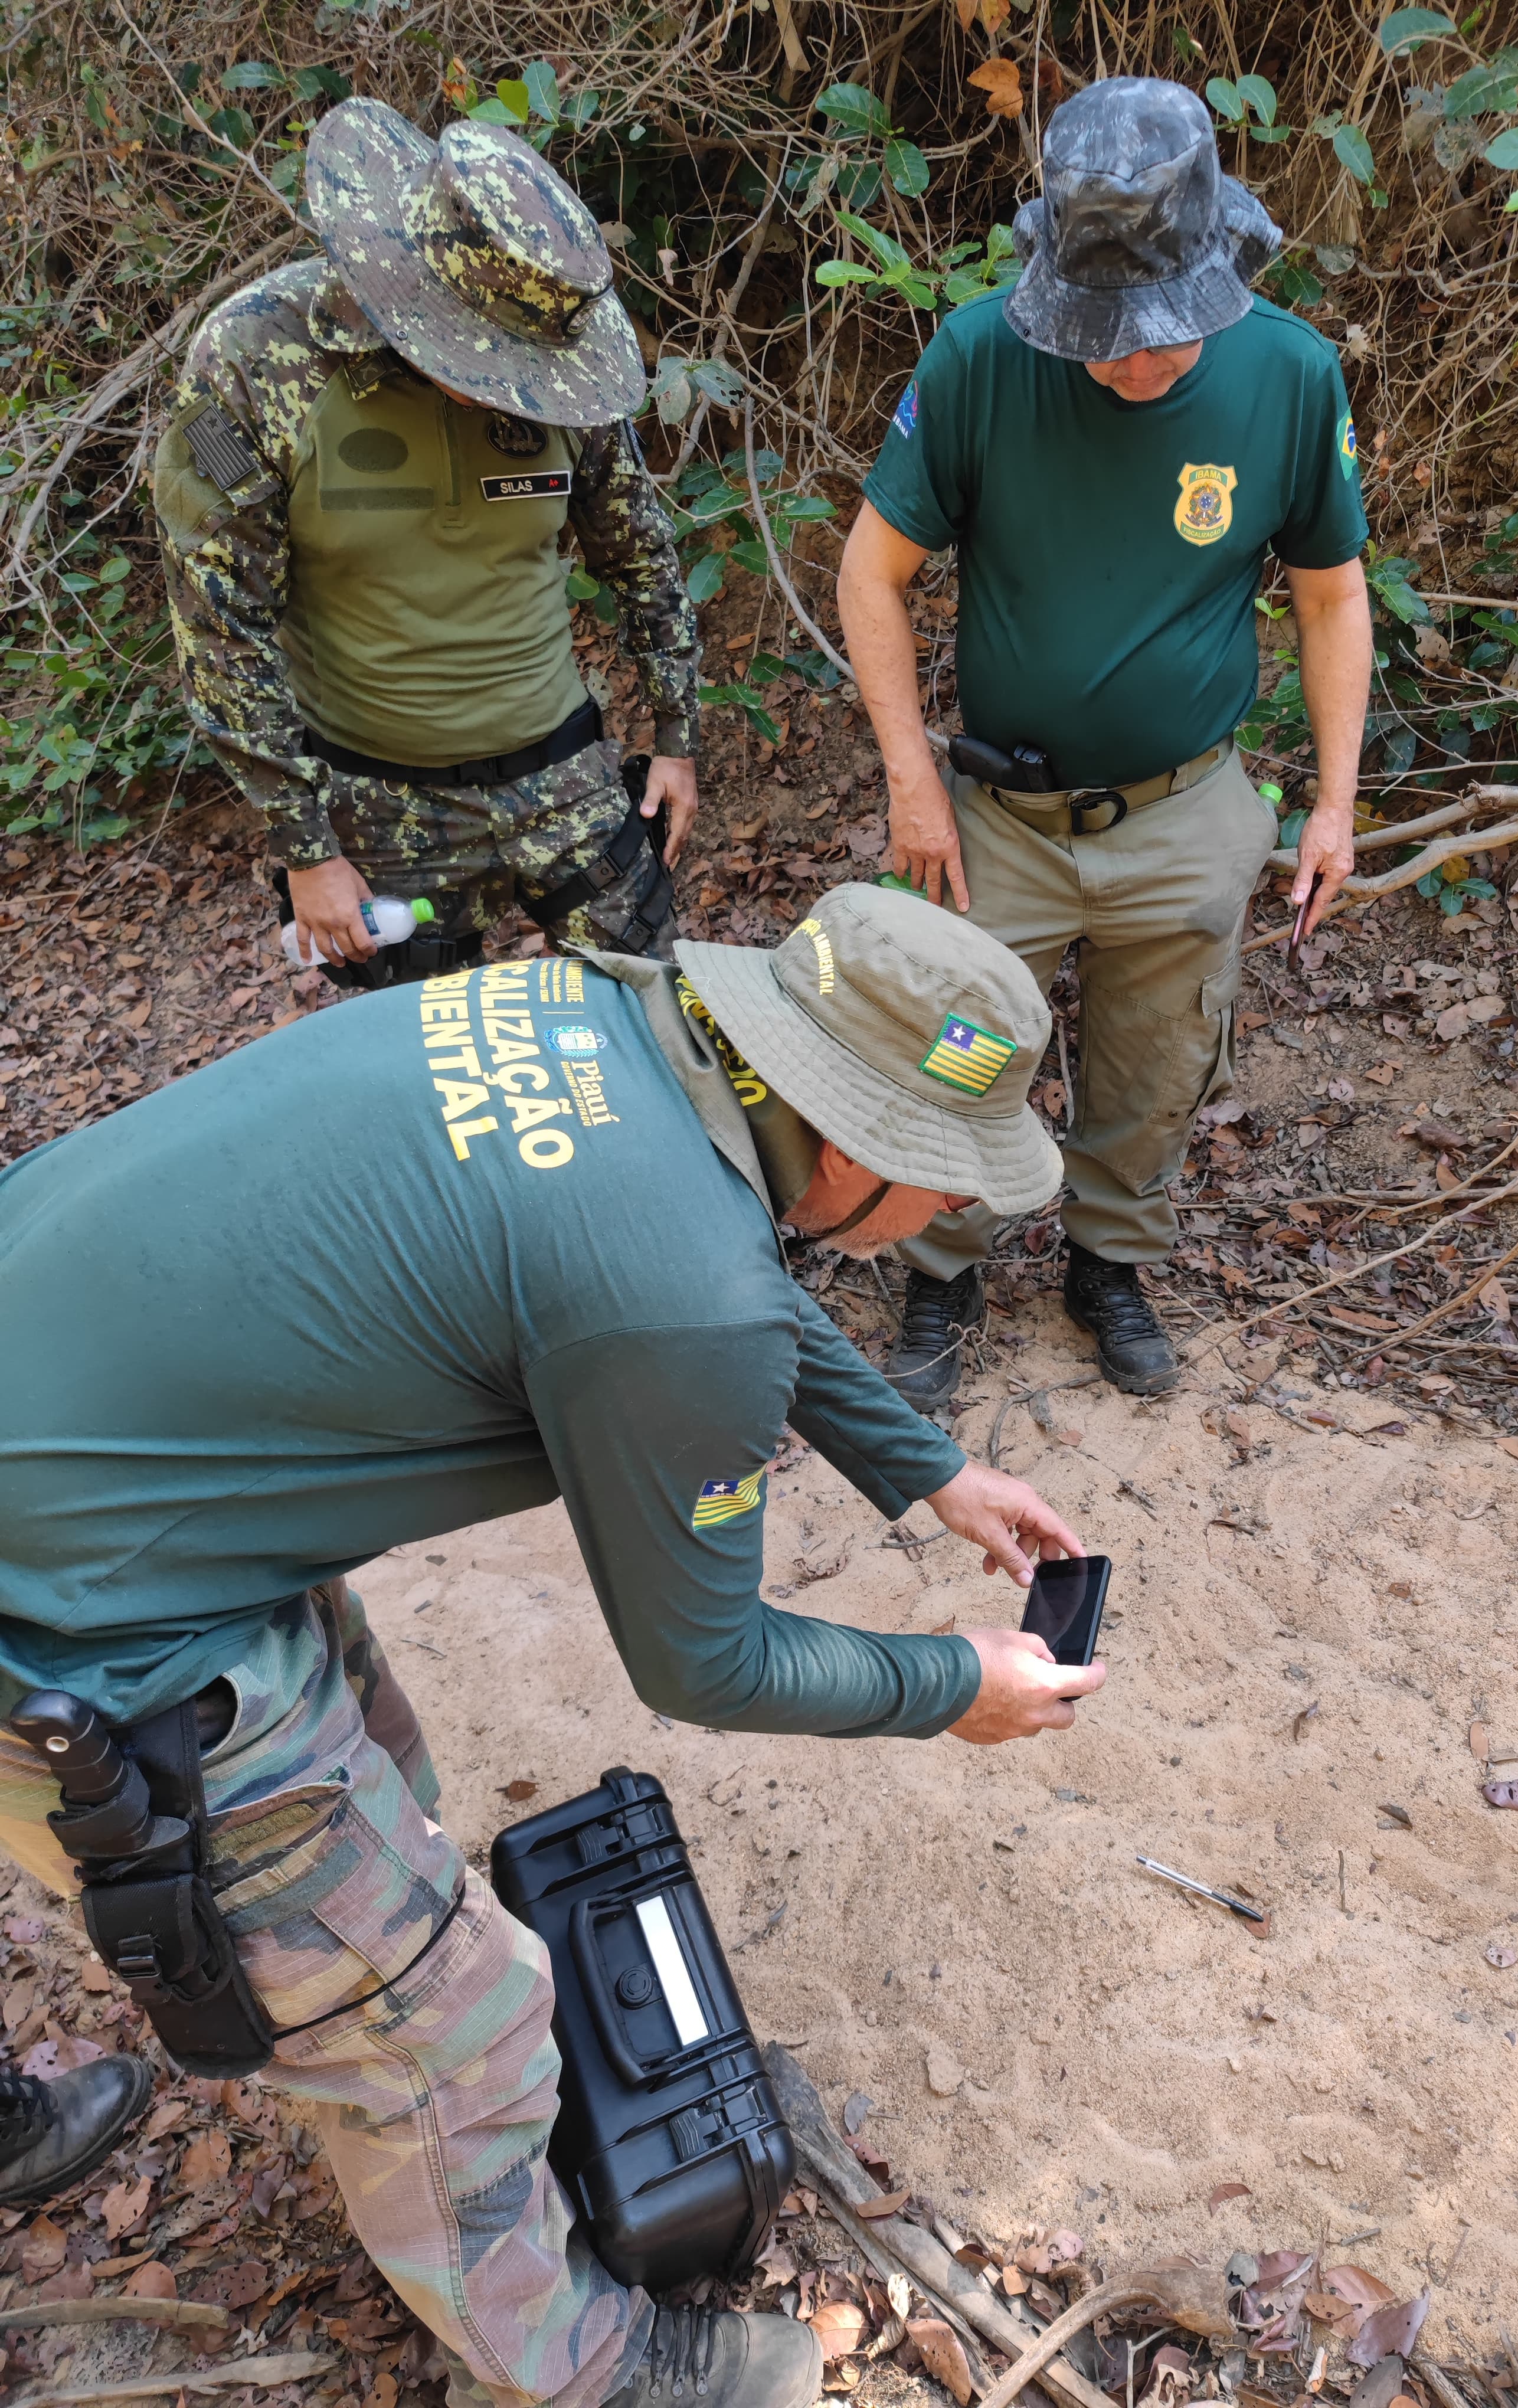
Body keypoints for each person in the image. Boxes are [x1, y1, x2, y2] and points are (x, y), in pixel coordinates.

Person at [0, 882, 1103, 2408]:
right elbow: (702, 1663)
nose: (951, 1214)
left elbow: (722, 1270)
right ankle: (588, 2373)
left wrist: (924, 1467)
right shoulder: (685, 1295)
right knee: (451, 2026)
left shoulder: (616, 1023)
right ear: (846, 1143)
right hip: (75, 1620)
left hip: (102, 1437)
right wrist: (953, 1687)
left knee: (378, 1768)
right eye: (943, 1178)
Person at [839, 76, 1372, 1408]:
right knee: (961, 1048)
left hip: (1188, 808)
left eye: (1160, 333)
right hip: (1000, 816)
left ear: (1215, 263)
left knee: (1161, 1056)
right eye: (1104, 334)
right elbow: (870, 574)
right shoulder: (976, 358)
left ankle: (1109, 1264)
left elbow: (1331, 593)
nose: (1132, 360)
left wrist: (1334, 804)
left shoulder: (1291, 374)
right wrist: (912, 781)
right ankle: (941, 1273)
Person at [155, 98, 699, 989]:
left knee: (654, 1030)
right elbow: (219, 628)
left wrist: (677, 735)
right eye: (491, 359)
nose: (514, 387)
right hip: (377, 801)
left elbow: (640, 551)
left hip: (563, 775)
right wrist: (306, 849)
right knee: (428, 1078)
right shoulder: (257, 359)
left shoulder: (558, 364)